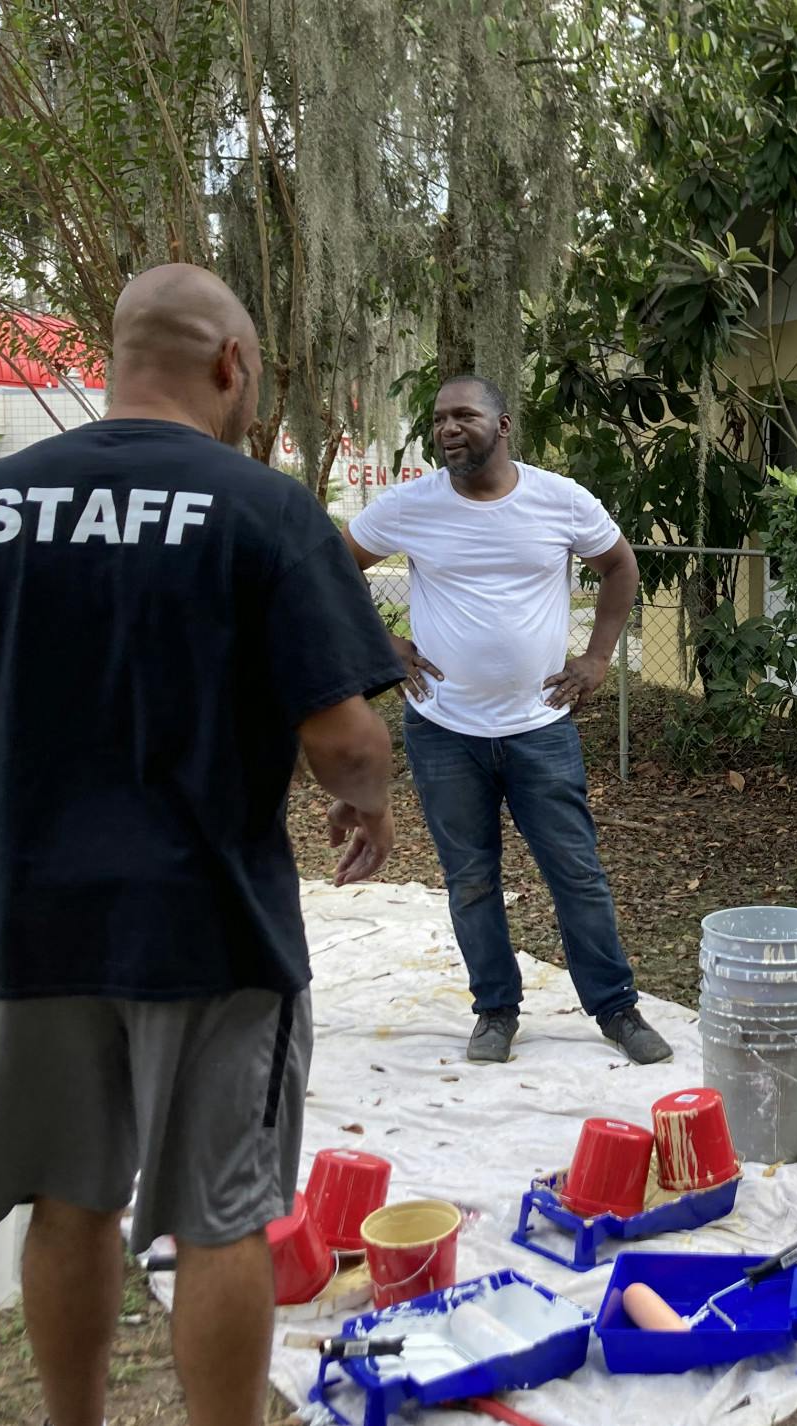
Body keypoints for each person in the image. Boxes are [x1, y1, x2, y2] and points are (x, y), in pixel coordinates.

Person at [0, 264, 406, 1426]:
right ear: (231, 364)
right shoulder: (263, 511)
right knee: (221, 1213)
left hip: (29, 920)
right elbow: (345, 735)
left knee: (64, 1200)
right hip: (208, 925)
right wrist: (364, 800)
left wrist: (10, 830)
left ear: (117, 356)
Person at [344, 373, 670, 1066]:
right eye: (439, 419)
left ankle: (616, 1008)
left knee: (576, 872)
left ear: (504, 425)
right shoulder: (411, 506)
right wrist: (383, 645)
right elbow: (333, 566)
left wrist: (597, 659)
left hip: (540, 726)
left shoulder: (560, 499)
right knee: (469, 878)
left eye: (464, 414)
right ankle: (495, 1010)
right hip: (442, 729)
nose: (448, 428)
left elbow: (619, 567)